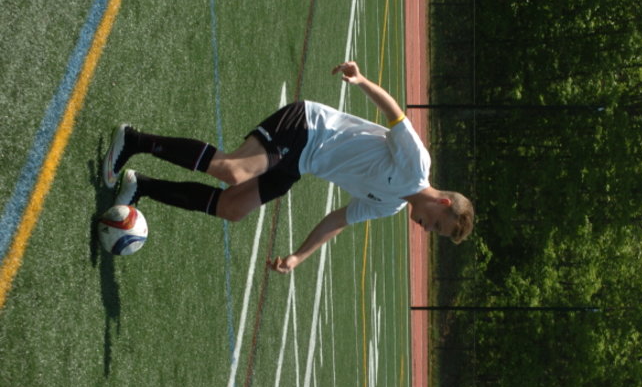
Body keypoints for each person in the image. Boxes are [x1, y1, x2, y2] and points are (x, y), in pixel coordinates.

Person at [102, 61, 474, 273]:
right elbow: (395, 115)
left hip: (301, 162)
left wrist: (299, 256)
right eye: (437, 225)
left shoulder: (391, 205)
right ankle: (134, 140)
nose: (427, 229)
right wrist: (360, 81)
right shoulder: (417, 165)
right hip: (308, 127)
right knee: (234, 171)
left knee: (233, 208)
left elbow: (338, 220)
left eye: (435, 233)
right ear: (442, 203)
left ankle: (141, 186)